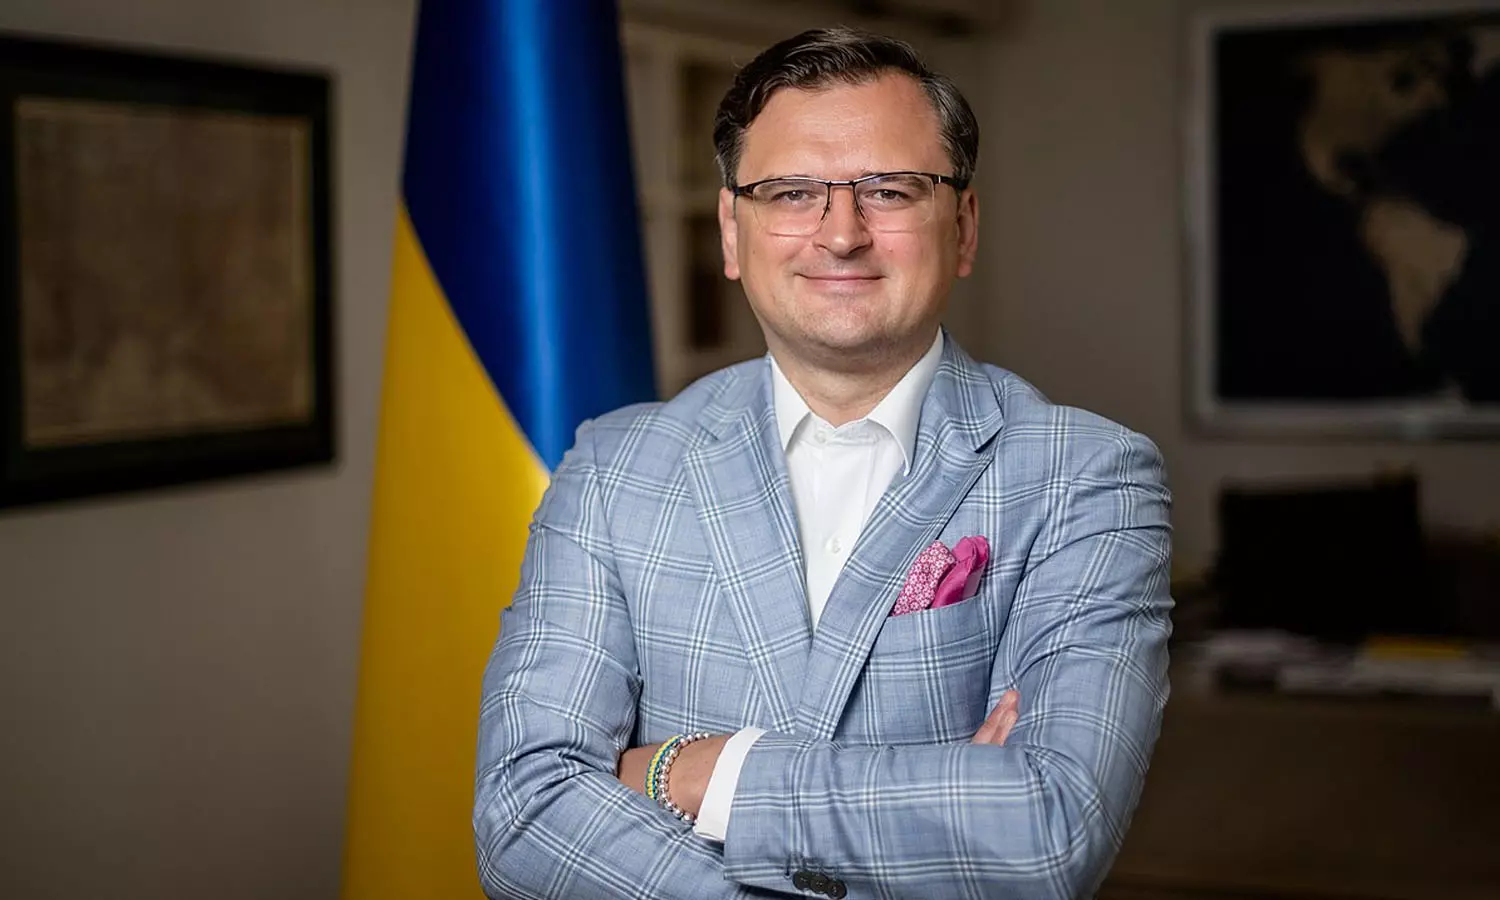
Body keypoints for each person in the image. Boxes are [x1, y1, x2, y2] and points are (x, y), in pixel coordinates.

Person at [475, 27, 1172, 900]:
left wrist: (697, 772)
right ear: (733, 232)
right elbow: (525, 815)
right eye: (792, 193)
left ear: (963, 227)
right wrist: (944, 804)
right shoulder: (614, 468)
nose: (841, 235)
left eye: (890, 190)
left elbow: (1046, 831)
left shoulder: (1089, 475)